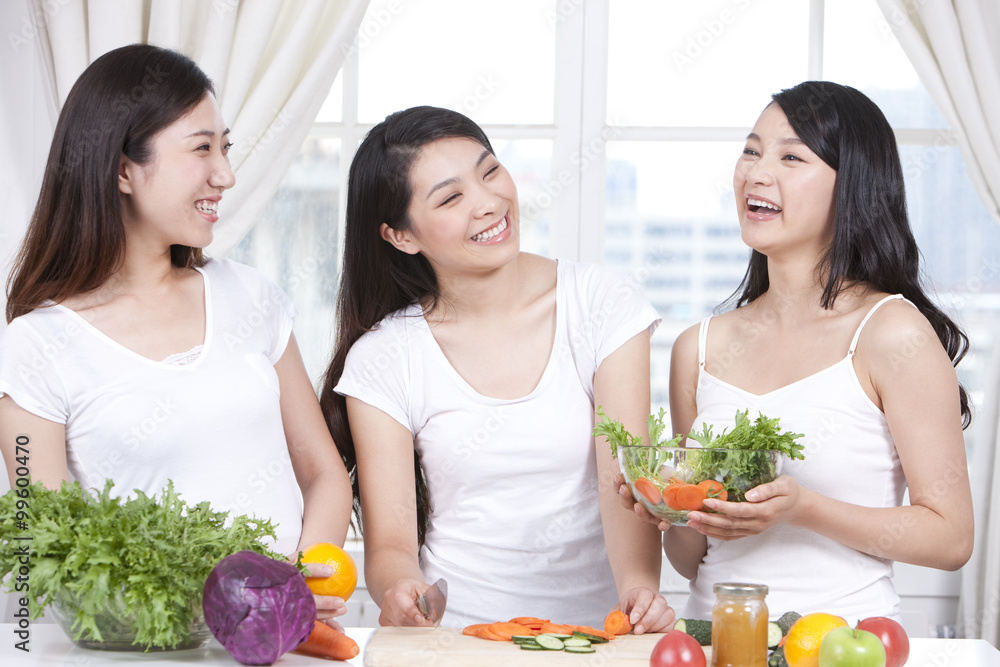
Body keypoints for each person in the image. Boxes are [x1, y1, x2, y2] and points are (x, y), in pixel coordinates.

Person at [0, 44, 352, 623]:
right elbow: (39, 547)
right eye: (201, 149)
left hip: (283, 645)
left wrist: (291, 597)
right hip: (140, 651)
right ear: (120, 169)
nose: (226, 174)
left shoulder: (252, 299)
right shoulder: (36, 348)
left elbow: (323, 475)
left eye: (226, 147)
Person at [624, 81, 974, 623]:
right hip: (713, 643)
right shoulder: (698, 348)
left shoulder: (891, 334)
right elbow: (692, 562)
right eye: (751, 151)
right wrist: (667, 511)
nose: (757, 173)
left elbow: (951, 539)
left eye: (791, 156)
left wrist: (805, 510)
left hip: (844, 645)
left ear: (852, 186)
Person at [321, 105, 675, 631]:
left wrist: (640, 591)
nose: (488, 203)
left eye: (489, 171)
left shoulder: (601, 303)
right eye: (451, 197)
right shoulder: (385, 356)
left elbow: (622, 482)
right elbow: (392, 544)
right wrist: (401, 590)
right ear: (401, 236)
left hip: (597, 637)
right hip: (458, 640)